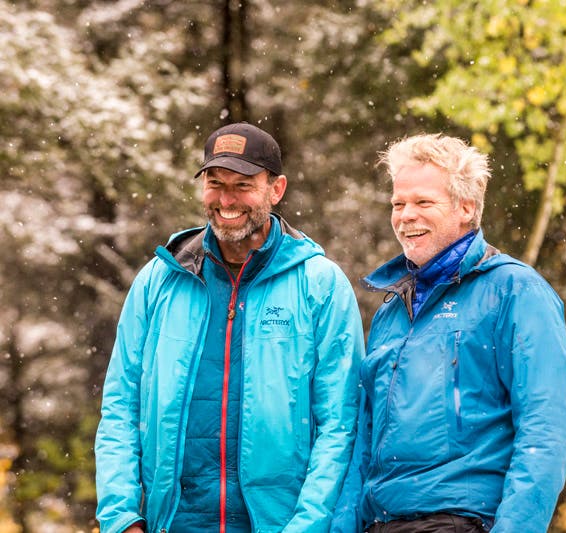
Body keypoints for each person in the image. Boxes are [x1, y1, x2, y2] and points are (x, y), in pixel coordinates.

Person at [95, 122, 365, 533]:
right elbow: (120, 406)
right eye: (215, 183)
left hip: (276, 523)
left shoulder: (321, 284)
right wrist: (122, 517)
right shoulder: (159, 280)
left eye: (243, 185)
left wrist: (307, 527)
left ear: (276, 190)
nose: (226, 199)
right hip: (172, 523)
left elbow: (340, 423)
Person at [332, 134, 566, 533]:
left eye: (423, 202)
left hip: (463, 522)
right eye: (398, 204)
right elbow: (364, 440)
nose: (405, 215)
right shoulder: (391, 310)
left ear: (466, 208)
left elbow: (545, 429)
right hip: (381, 523)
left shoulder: (515, 291)